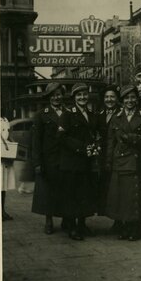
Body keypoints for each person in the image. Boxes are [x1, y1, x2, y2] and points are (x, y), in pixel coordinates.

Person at [106, 85, 141, 241]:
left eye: (132, 98)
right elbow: (111, 142)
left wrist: (130, 138)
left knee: (135, 195)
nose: (130, 101)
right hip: (120, 161)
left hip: (137, 160)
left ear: (137, 99)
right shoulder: (116, 118)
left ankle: (135, 227)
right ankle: (124, 226)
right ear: (121, 101)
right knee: (122, 195)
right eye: (126, 98)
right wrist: (109, 160)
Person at [58, 82, 99, 240]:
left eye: (84, 94)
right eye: (79, 95)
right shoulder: (67, 114)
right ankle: (73, 227)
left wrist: (95, 147)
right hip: (72, 162)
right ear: (74, 97)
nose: (82, 97)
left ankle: (82, 224)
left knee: (84, 194)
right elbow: (62, 137)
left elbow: (93, 135)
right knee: (72, 195)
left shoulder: (90, 113)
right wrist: (82, 148)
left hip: (86, 162)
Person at [31, 83, 66, 234]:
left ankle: (67, 219)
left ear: (62, 95)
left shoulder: (69, 112)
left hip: (66, 158)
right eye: (53, 95)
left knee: (66, 190)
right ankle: (49, 221)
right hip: (48, 160)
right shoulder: (41, 114)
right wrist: (37, 162)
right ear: (48, 98)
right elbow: (36, 141)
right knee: (48, 191)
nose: (56, 97)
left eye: (58, 94)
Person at [96, 84, 122, 232]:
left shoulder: (121, 113)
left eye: (112, 97)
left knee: (118, 188)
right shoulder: (100, 114)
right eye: (106, 97)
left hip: (118, 155)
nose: (109, 99)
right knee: (109, 189)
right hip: (103, 156)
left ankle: (120, 220)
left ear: (117, 98)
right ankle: (115, 219)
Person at [1, 117, 16, 221]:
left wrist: (13, 145)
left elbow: (8, 134)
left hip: (5, 153)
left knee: (3, 185)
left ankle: (2, 210)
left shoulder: (5, 119)